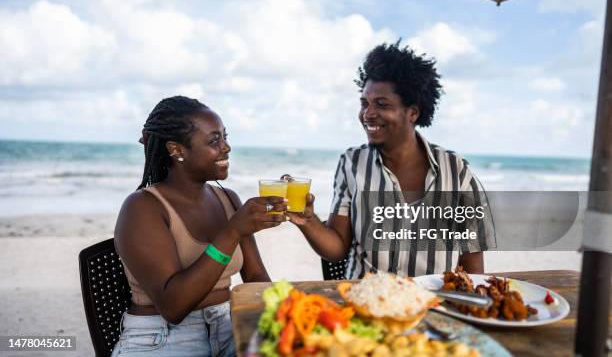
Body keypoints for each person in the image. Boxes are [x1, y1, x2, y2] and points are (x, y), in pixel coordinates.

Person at [287, 41, 496, 278]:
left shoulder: (455, 172)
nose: (368, 114)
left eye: (382, 104)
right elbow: (336, 249)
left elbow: (473, 266)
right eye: (365, 103)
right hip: (365, 302)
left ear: (413, 112)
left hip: (433, 306)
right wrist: (308, 221)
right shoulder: (352, 163)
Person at [112, 96, 285, 357]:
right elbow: (174, 307)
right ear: (177, 150)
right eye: (214, 140)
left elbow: (257, 278)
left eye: (225, 137)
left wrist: (284, 317)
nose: (226, 147)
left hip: (229, 326)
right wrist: (232, 231)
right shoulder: (142, 208)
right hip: (163, 338)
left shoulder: (228, 199)